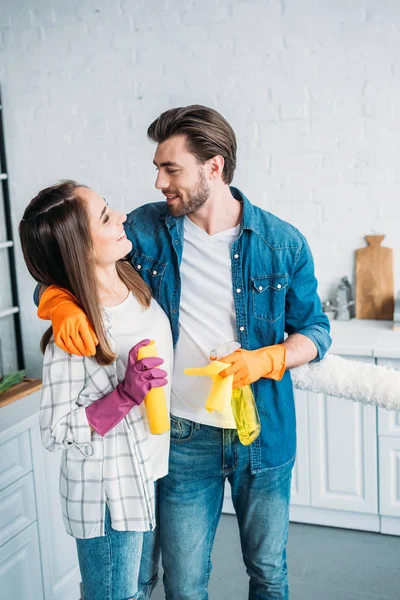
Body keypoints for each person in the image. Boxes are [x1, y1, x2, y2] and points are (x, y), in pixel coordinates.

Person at [36, 106, 332, 600]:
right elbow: (68, 258)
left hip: (263, 433)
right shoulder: (148, 232)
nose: (158, 182)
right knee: (185, 584)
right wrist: (57, 301)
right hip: (181, 436)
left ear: (213, 167)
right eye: (158, 167)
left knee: (269, 572)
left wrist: (269, 359)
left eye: (171, 168)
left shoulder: (282, 243)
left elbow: (316, 331)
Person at [20, 181, 172, 600]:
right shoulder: (76, 333)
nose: (122, 217)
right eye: (106, 216)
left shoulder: (131, 279)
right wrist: (124, 394)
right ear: (78, 246)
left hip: (145, 473)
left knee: (137, 590)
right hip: (108, 493)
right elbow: (55, 431)